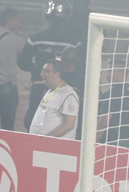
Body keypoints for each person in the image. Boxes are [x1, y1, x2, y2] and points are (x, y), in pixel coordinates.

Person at [18, 1, 82, 131]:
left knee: (33, 119)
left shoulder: (36, 37)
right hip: (65, 87)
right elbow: (79, 63)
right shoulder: (74, 40)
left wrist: (36, 70)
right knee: (61, 120)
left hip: (39, 85)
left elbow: (22, 61)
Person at [96, 56, 129, 148]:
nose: (106, 75)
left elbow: (104, 122)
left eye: (110, 71)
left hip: (114, 141)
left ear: (122, 73)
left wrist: (94, 140)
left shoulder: (112, 93)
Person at [29, 59, 79, 138]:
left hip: (54, 144)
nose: (41, 74)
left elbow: (69, 124)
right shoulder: (51, 90)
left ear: (57, 74)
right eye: (42, 71)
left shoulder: (68, 94)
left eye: (46, 71)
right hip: (40, 143)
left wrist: (47, 138)